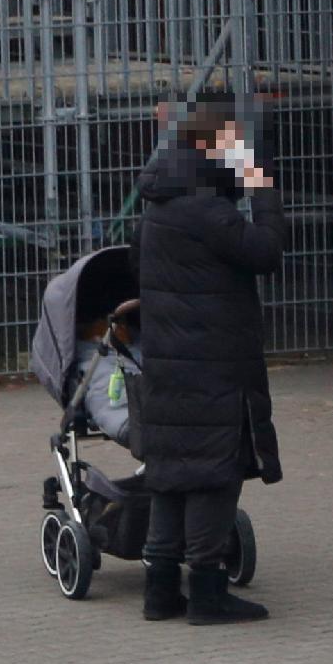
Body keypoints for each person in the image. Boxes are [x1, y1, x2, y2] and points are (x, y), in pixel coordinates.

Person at [131, 103, 285, 625]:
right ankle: (207, 591)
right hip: (215, 365)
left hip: (171, 367)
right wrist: (261, 186)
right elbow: (264, 251)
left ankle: (160, 591)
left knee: (171, 474)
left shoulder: (161, 205)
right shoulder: (204, 212)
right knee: (214, 475)